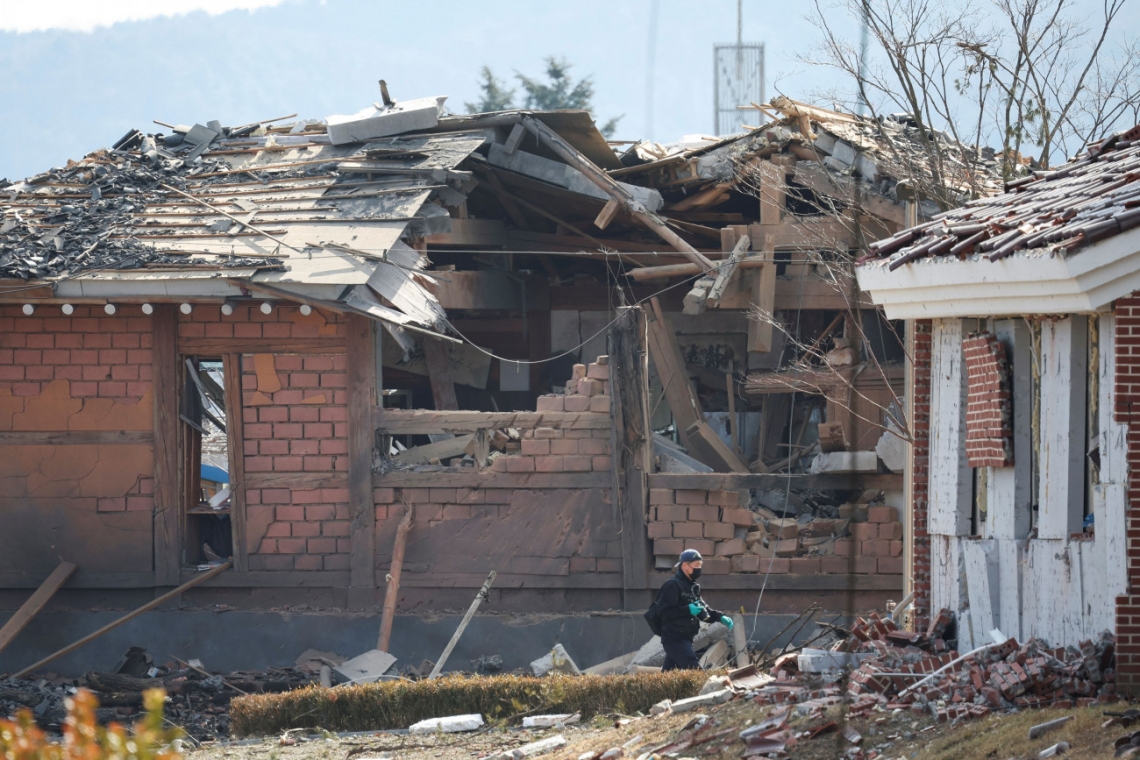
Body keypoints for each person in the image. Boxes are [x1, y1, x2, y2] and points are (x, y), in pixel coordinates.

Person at [654, 549, 734, 670]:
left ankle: (656, 689)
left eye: (700, 566)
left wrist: (720, 617)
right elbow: (662, 611)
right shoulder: (672, 585)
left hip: (686, 637)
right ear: (685, 565)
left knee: (669, 675)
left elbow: (703, 610)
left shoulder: (693, 587)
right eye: (696, 565)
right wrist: (687, 610)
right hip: (674, 638)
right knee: (695, 671)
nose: (699, 569)